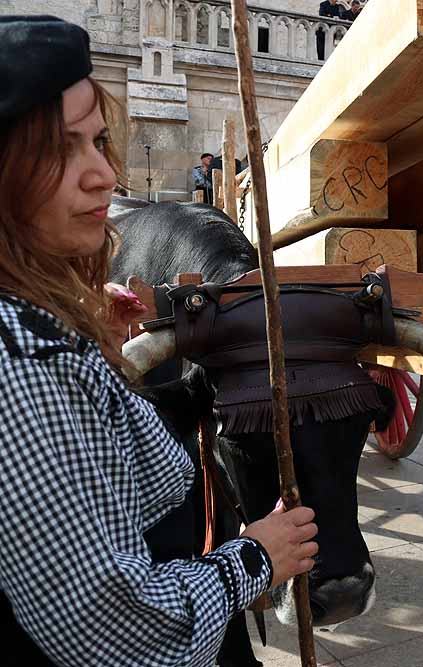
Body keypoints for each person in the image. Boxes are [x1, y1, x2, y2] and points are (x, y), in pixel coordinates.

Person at [0, 16, 318, 665]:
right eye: (60, 151)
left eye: (98, 141)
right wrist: (257, 555)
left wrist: (98, 359)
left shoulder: (36, 330)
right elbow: (112, 631)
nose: (102, 175)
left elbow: (99, 487)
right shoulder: (23, 360)